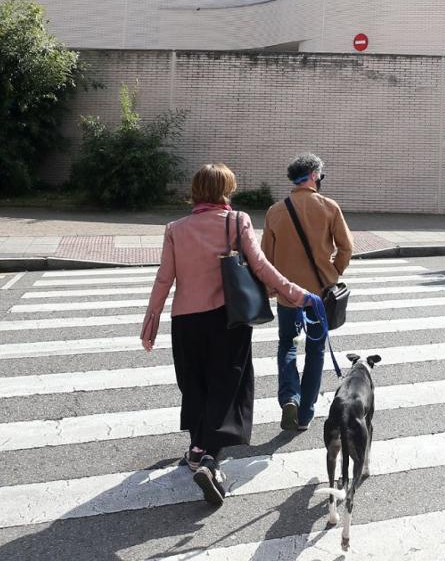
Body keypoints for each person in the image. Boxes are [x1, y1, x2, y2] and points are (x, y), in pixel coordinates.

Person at [141, 162, 315, 507]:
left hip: (186, 320)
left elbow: (165, 278)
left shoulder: (175, 228)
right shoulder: (237, 221)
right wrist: (297, 293)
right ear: (226, 190)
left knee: (195, 383)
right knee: (227, 384)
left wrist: (151, 322)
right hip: (227, 320)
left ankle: (196, 447)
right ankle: (209, 457)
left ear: (196, 190)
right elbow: (261, 266)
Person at [262, 152, 354, 433]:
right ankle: (305, 414)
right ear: (314, 175)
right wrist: (333, 272)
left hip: (287, 292)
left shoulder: (275, 211)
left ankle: (290, 396)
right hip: (319, 294)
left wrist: (271, 289)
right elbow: (346, 247)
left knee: (287, 343)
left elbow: (266, 256)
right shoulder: (329, 207)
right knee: (315, 350)